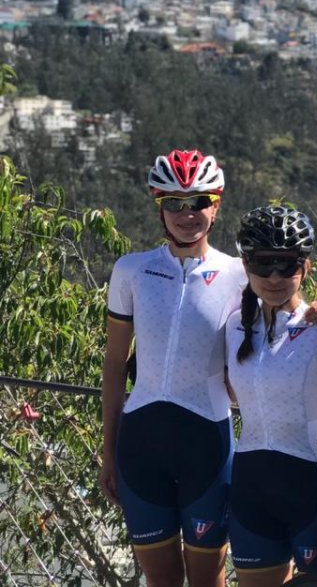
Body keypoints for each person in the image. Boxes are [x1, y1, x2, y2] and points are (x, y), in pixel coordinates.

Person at [101, 149, 245, 587]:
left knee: (207, 581)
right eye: (174, 204)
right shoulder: (132, 270)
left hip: (208, 444)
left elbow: (285, 319)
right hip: (141, 447)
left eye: (198, 201)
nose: (187, 214)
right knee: (160, 582)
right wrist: (109, 452)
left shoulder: (240, 274)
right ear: (159, 208)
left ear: (215, 205)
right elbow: (113, 365)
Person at [225, 206, 317, 586]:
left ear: (305, 268)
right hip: (250, 485)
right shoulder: (233, 326)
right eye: (262, 264)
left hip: (313, 484)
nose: (274, 276)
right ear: (246, 265)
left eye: (286, 265)